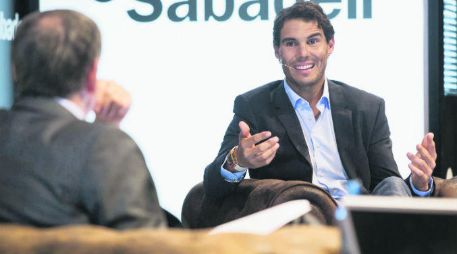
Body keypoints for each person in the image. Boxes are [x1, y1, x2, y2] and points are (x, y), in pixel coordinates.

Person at [203, 1, 437, 201]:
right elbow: (212, 187)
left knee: (395, 185)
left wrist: (418, 184)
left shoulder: (367, 107)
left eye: (313, 41)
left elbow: (385, 181)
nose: (303, 53)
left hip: (357, 219)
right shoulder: (254, 106)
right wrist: (238, 160)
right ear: (277, 51)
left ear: (330, 45)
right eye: (291, 43)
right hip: (296, 222)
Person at [0, 10, 166, 229]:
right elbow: (149, 247)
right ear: (92, 74)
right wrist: (104, 135)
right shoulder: (108, 147)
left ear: (14, 69)